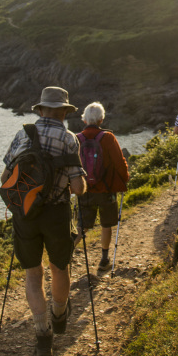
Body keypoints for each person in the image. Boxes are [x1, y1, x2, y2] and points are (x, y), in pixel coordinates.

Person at [1, 86, 87, 356]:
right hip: (56, 214)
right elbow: (78, 187)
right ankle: (59, 314)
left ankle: (42, 336)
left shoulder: (22, 134)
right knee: (59, 267)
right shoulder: (69, 138)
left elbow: (5, 178)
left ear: (40, 110)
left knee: (33, 273)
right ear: (64, 112)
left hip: (25, 214)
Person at [76, 102, 130, 273]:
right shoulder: (108, 138)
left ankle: (67, 252)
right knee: (106, 224)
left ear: (84, 119)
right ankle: (104, 259)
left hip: (85, 190)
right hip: (106, 189)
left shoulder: (77, 139)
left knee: (82, 225)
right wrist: (124, 179)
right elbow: (119, 162)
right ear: (101, 119)